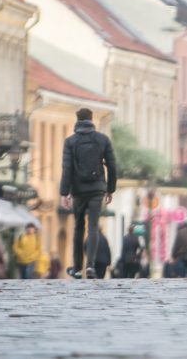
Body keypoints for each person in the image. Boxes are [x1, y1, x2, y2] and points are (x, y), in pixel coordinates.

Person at [59, 107, 117, 280]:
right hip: (97, 188)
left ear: (77, 120)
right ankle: (90, 266)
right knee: (93, 226)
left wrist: (64, 192)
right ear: (92, 119)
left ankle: (77, 267)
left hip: (78, 190)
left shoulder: (70, 142)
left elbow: (67, 168)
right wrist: (110, 188)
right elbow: (113, 166)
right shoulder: (103, 139)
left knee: (78, 226)